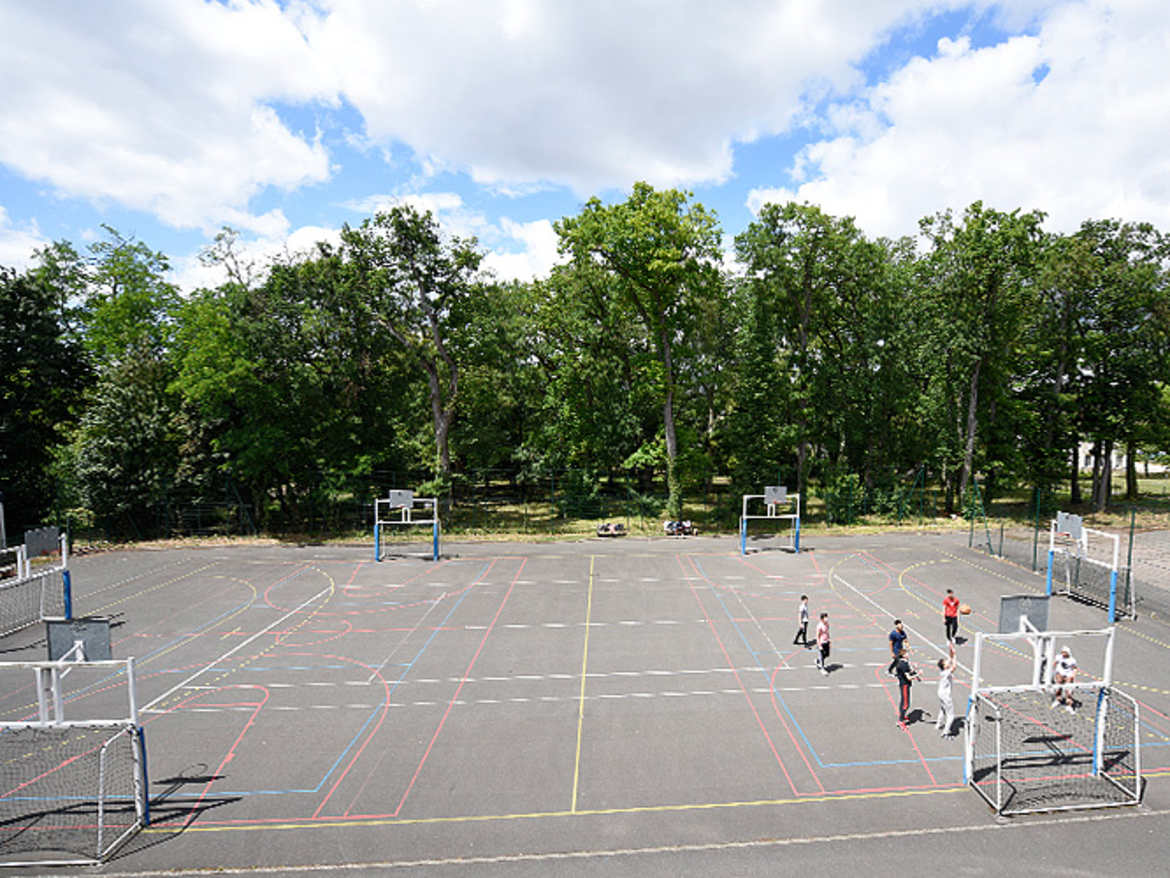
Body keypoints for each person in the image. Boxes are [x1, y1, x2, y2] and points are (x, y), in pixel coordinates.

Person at [894, 647, 921, 728]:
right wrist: (918, 674)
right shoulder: (904, 665)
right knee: (906, 704)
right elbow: (908, 677)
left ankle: (902, 715)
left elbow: (908, 672)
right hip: (905, 685)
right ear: (904, 655)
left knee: (903, 701)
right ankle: (901, 720)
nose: (908, 654)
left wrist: (914, 669)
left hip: (904, 684)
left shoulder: (903, 663)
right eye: (906, 653)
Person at [936, 640, 958, 737]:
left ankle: (939, 723)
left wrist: (951, 650)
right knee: (951, 715)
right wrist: (955, 656)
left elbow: (950, 658)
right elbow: (954, 666)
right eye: (946, 663)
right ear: (944, 666)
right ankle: (946, 731)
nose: (947, 663)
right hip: (945, 694)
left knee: (943, 709)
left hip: (940, 693)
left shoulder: (942, 670)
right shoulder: (946, 673)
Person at [1052, 646, 1078, 713]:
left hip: (1068, 675)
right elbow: (1055, 663)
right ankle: (1058, 700)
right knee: (1058, 688)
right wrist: (1054, 671)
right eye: (1062, 652)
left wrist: (1073, 676)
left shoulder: (1072, 660)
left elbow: (1075, 668)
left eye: (1064, 652)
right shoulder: (1059, 657)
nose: (1063, 654)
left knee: (1068, 691)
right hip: (1060, 674)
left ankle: (1069, 705)